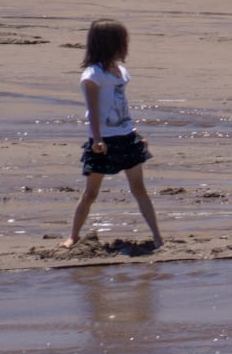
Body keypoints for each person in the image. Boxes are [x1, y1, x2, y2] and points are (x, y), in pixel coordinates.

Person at [61, 18, 165, 250]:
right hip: (104, 140)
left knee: (139, 189)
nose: (125, 45)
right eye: (122, 41)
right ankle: (73, 236)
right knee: (91, 193)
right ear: (111, 44)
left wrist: (135, 132)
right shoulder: (92, 76)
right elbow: (94, 110)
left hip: (126, 136)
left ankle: (157, 235)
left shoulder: (120, 72)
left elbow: (121, 105)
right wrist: (97, 139)